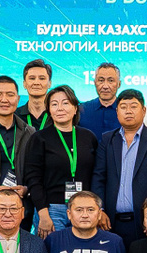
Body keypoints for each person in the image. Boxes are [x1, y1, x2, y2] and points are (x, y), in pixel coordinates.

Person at [94, 89, 147, 242]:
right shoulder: (107, 140)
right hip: (109, 221)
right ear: (117, 112)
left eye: (133, 106)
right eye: (123, 107)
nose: (128, 111)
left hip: (144, 223)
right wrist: (100, 209)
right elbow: (98, 177)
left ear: (144, 111)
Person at [23, 85, 98, 232]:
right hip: (52, 209)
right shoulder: (39, 138)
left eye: (65, 103)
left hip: (84, 208)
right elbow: (33, 178)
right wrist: (43, 213)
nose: (60, 108)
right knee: (56, 246)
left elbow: (96, 175)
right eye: (54, 104)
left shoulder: (88, 137)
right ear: (49, 110)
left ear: (75, 108)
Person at [77, 62, 123, 137]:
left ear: (119, 84)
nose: (105, 86)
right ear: (95, 83)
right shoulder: (82, 109)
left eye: (111, 81)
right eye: (101, 80)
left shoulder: (126, 110)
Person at [19, 58, 54, 131]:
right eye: (32, 78)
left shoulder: (58, 114)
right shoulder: (14, 117)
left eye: (42, 78)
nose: (36, 83)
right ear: (24, 84)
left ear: (49, 84)